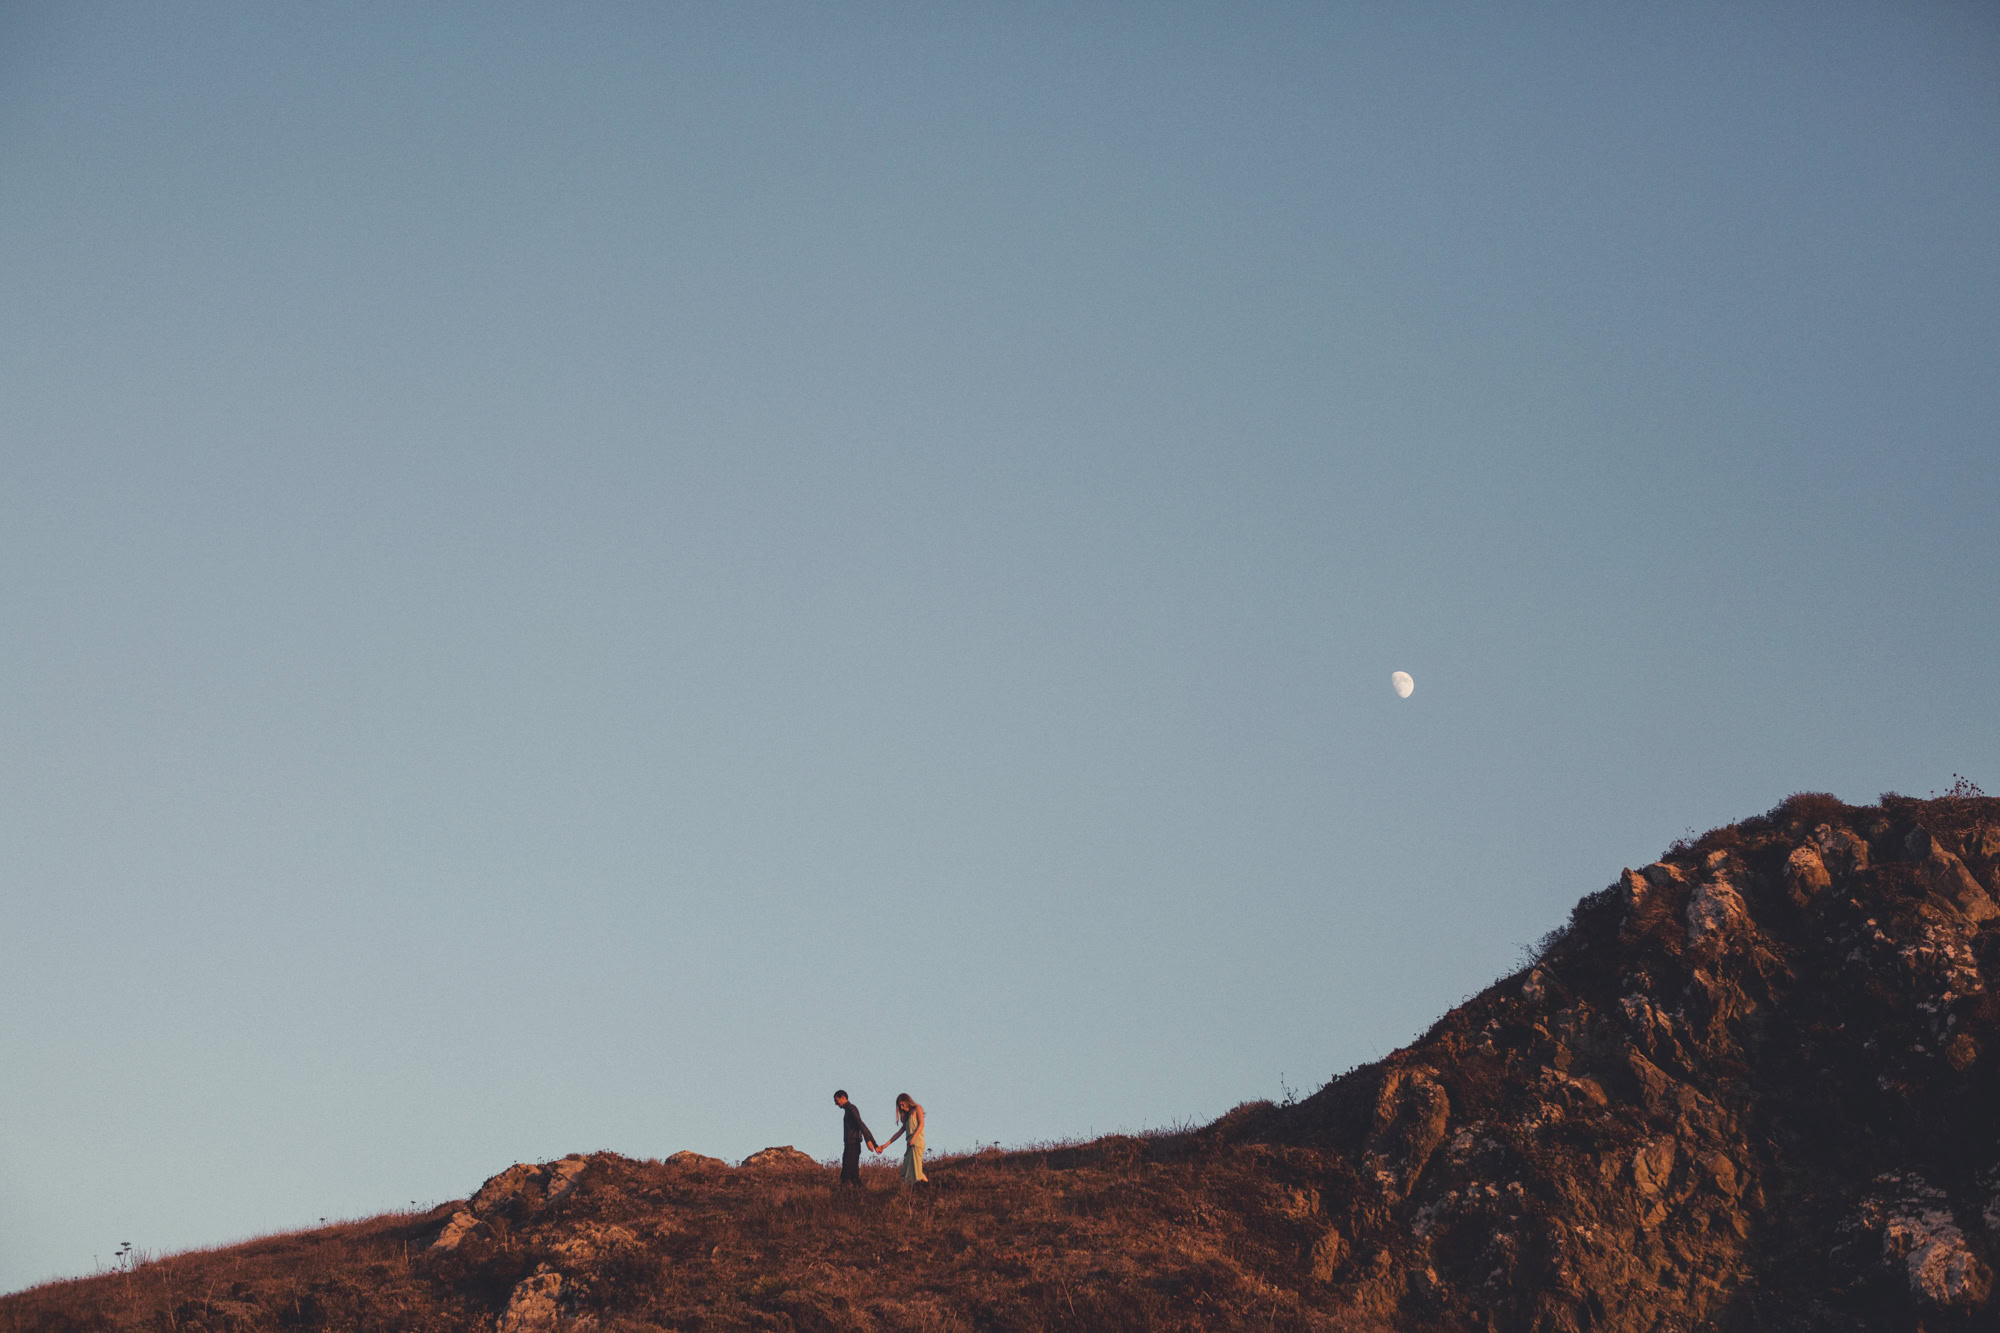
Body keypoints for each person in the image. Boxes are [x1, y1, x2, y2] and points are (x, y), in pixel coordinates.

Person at [874, 1092, 926, 1186]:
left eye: (902, 1104)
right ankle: (926, 1186)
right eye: (900, 1106)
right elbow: (898, 1133)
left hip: (917, 1142)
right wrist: (885, 1145)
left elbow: (921, 1125)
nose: (901, 1107)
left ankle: (925, 1188)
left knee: (916, 1169)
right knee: (908, 1169)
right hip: (910, 1143)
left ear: (907, 1101)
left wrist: (913, 1139)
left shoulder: (917, 1108)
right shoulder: (906, 1116)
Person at [832, 1090, 878, 1187]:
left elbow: (861, 1124)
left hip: (853, 1145)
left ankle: (860, 1195)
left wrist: (870, 1141)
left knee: (850, 1175)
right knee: (847, 1174)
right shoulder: (848, 1110)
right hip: (849, 1145)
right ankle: (851, 1195)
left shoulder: (851, 1108)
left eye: (837, 1100)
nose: (836, 1104)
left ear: (843, 1097)